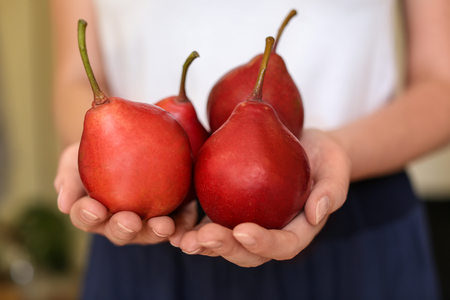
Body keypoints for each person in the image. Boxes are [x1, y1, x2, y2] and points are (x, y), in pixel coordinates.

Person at [51, 0, 450, 299]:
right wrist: (94, 156)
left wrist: (340, 149)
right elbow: (73, 77)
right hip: (144, 231)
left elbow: (442, 84)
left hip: (356, 230)